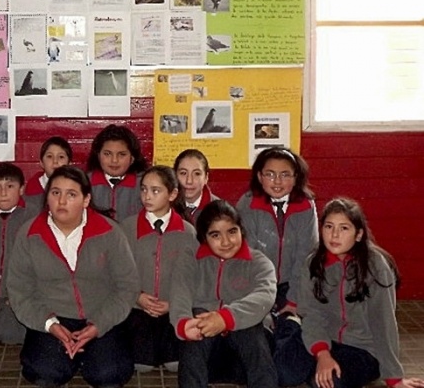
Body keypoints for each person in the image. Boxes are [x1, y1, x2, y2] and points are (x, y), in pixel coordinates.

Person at [7, 166, 139, 388]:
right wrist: (50, 324)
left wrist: (100, 324)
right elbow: (20, 290)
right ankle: (67, 356)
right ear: (47, 197)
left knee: (109, 374)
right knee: (45, 372)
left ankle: (88, 355)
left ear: (86, 200)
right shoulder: (30, 234)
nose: (61, 201)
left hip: (100, 315)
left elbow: (127, 287)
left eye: (71, 194)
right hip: (53, 317)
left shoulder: (109, 232)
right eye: (55, 192)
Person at [280, 198, 424, 388]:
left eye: (344, 228)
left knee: (326, 382)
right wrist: (323, 354)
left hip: (362, 348)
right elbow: (313, 315)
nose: (335, 235)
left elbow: (383, 322)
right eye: (329, 226)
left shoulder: (376, 266)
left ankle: (319, 370)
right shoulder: (313, 264)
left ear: (358, 234)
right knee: (283, 374)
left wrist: (394, 378)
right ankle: (290, 328)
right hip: (325, 339)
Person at [170, 199, 278, 388]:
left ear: (241, 230)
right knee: (197, 323)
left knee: (251, 327)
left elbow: (265, 295)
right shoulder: (191, 258)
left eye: (232, 231)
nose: (226, 241)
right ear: (204, 237)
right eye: (215, 235)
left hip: (245, 359)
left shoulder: (259, 262)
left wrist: (225, 318)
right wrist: (184, 323)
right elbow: (180, 291)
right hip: (207, 357)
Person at [120, 166, 197, 373]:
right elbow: (117, 272)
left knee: (176, 365)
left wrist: (173, 304)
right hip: (137, 308)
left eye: (155, 191)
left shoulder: (187, 232)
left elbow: (194, 277)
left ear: (172, 194)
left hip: (173, 309)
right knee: (141, 366)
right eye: (144, 189)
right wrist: (137, 296)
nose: (147, 196)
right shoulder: (127, 228)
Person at [236, 147, 318, 314]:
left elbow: (306, 256)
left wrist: (294, 300)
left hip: (292, 285)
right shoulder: (248, 204)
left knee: (293, 329)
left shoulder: (305, 206)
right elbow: (247, 254)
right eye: (270, 174)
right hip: (256, 282)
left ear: (296, 178)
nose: (277, 181)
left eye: (285, 175)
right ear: (260, 177)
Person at [0, 162, 36, 345]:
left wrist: (23, 294)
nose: (3, 193)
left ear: (21, 189)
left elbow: (41, 264)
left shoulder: (34, 218)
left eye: (10, 186)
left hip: (18, 298)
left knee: (16, 339)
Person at [86, 124, 148, 222]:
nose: (114, 160)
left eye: (122, 154)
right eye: (107, 154)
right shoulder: (84, 182)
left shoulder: (145, 184)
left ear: (132, 158)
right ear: (98, 155)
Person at [23, 136, 73, 211]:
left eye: (61, 157)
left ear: (69, 163)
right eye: (49, 156)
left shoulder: (75, 187)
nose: (55, 161)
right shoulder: (32, 187)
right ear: (41, 163)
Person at [173, 149, 220, 225]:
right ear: (174, 176)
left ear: (206, 178)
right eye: (183, 173)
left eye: (197, 174)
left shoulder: (219, 211)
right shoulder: (164, 207)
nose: (189, 181)